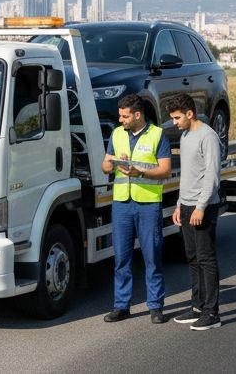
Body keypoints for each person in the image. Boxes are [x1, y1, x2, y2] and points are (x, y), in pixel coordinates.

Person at [101, 94, 172, 324]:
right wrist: (112, 163)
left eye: (125, 116)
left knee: (152, 256)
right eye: (120, 115)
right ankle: (121, 306)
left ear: (137, 115)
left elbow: (165, 170)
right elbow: (104, 165)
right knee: (121, 258)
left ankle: (156, 306)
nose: (121, 119)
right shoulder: (117, 134)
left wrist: (139, 171)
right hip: (122, 203)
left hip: (148, 204)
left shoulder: (157, 135)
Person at [168, 93, 223, 331]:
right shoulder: (186, 135)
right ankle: (198, 305)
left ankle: (212, 312)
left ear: (190, 113)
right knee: (192, 257)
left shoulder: (207, 136)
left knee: (206, 258)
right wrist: (180, 204)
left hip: (205, 206)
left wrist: (200, 206)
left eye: (177, 117)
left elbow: (212, 175)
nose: (174, 122)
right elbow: (188, 174)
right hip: (188, 205)